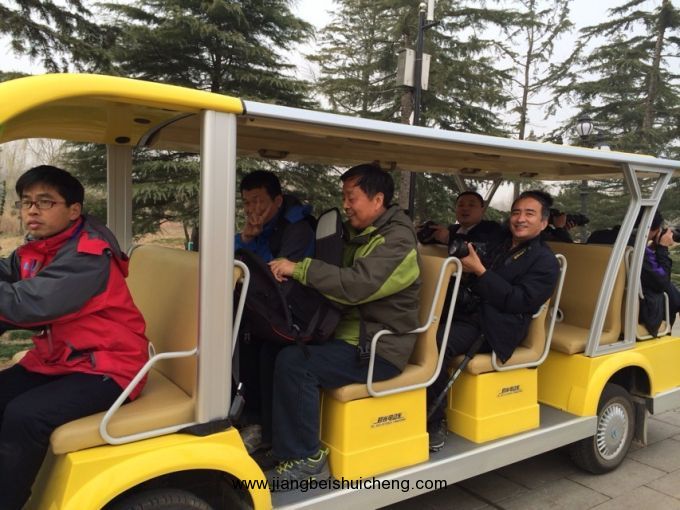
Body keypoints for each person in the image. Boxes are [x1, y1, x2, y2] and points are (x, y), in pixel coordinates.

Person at [0, 165, 148, 510]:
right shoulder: (39, 248)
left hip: (110, 366)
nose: (32, 210)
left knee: (25, 415)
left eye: (45, 202)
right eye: (26, 202)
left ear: (73, 210)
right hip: (61, 360)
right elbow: (8, 275)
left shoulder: (87, 256)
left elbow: (28, 304)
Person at [266, 163, 421, 488]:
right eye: (344, 197)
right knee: (272, 343)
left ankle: (307, 458)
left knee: (295, 364)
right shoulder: (361, 232)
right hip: (346, 334)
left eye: (352, 198)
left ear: (377, 200)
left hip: (379, 348)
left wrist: (300, 269)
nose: (345, 205)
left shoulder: (398, 242)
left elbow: (355, 286)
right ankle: (278, 440)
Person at [427, 190, 560, 451]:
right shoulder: (502, 244)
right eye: (516, 212)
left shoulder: (545, 261)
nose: (520, 219)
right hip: (472, 313)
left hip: (497, 326)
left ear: (544, 222)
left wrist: (479, 271)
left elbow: (518, 301)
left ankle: (434, 420)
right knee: (418, 325)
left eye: (529, 213)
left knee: (436, 342)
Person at [234, 170, 316, 456]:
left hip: (295, 314)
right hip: (266, 307)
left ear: (278, 201)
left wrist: (250, 245)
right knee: (239, 337)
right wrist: (246, 238)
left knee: (267, 349)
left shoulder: (298, 230)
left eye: (258, 201)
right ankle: (247, 417)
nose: (252, 209)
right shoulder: (264, 227)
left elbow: (276, 276)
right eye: (247, 203)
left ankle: (266, 432)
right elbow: (239, 260)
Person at [638, 210, 680, 336]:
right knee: (672, 296)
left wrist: (653, 249)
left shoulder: (623, 242)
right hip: (644, 311)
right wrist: (662, 248)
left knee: (674, 296)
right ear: (650, 228)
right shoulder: (637, 251)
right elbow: (662, 282)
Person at [418, 190, 502, 251]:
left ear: (482, 210)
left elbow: (482, 245)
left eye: (471, 205)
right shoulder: (452, 229)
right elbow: (435, 242)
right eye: (460, 205)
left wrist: (449, 238)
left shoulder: (492, 228)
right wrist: (426, 233)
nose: (465, 208)